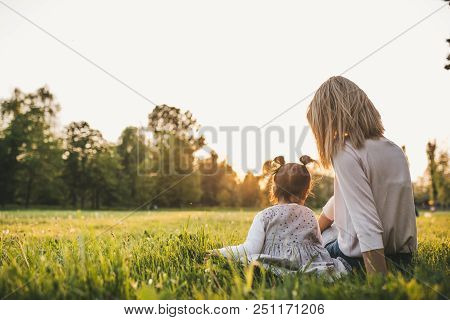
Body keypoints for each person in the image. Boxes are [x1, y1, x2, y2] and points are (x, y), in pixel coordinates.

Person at [307, 76, 417, 275]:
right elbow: (352, 197)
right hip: (403, 258)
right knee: (328, 233)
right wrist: (315, 228)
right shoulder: (394, 149)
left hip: (362, 260)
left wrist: (378, 283)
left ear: (329, 119)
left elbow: (366, 222)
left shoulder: (344, 151)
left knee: (308, 250)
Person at [211, 155, 350, 276]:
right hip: (310, 263)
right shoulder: (310, 214)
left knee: (251, 260)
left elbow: (250, 249)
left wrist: (218, 252)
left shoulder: (264, 216)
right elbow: (318, 245)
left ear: (274, 188)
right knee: (331, 234)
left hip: (276, 261)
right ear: (306, 192)